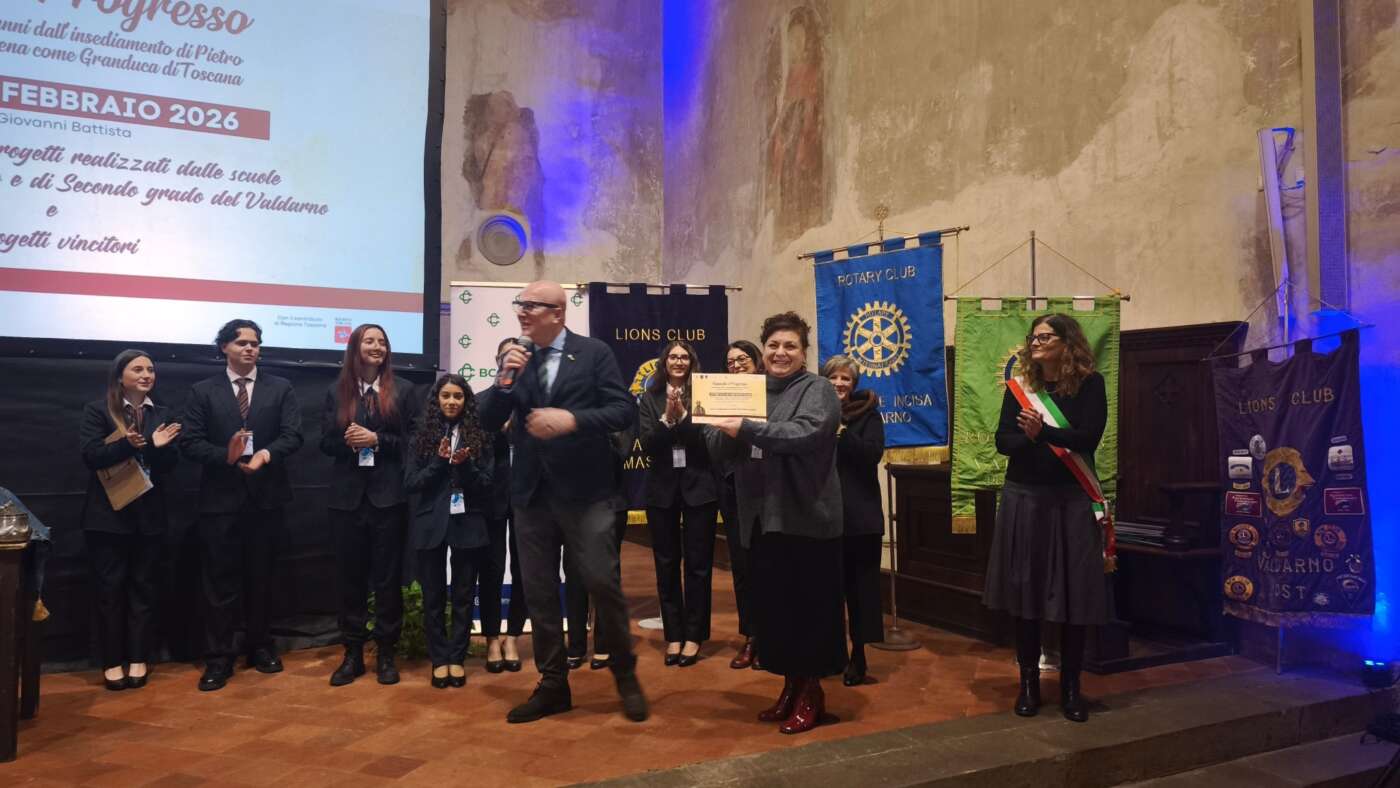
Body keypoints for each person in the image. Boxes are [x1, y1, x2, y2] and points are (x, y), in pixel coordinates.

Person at [478, 280, 647, 724]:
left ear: (557, 312)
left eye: (531, 305)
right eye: (519, 304)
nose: (521, 311)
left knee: (601, 582)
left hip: (587, 493)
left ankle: (624, 672)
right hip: (532, 496)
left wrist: (572, 419)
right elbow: (488, 420)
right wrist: (502, 382)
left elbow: (623, 410)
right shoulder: (517, 357)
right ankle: (553, 684)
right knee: (539, 592)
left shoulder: (593, 353)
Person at [709, 312, 845, 735]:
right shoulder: (750, 388)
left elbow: (805, 433)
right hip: (760, 519)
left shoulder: (818, 389)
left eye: (790, 346)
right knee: (776, 613)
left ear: (804, 353)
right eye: (773, 345)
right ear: (763, 349)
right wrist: (718, 426)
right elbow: (717, 445)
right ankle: (790, 686)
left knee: (809, 611)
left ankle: (812, 693)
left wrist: (746, 428)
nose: (780, 353)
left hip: (805, 518)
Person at [983, 313, 1108, 723]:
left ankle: (1071, 687)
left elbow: (1088, 437)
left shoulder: (1090, 385)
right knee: (1027, 593)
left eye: (1045, 337)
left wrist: (1044, 434)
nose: (1035, 343)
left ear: (1067, 343)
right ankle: (1028, 684)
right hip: (1026, 497)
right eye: (1033, 337)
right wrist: (1031, 437)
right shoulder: (1021, 389)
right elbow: (1003, 441)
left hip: (1071, 499)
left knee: (1074, 596)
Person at [181, 319, 303, 692]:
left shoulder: (280, 388)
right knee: (219, 583)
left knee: (262, 578)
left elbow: (293, 435)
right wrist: (226, 456)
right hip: (220, 502)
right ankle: (219, 657)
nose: (250, 348)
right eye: (242, 343)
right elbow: (189, 442)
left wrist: (265, 454)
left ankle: (260, 647)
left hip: (266, 499)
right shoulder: (203, 391)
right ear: (224, 348)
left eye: (255, 343)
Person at [79, 350, 181, 690]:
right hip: (108, 517)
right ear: (120, 375)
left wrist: (156, 448)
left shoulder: (162, 413)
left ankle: (139, 657)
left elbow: (170, 465)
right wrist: (131, 445)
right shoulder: (99, 410)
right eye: (137, 369)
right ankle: (111, 661)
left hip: (149, 516)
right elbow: (91, 456)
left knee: (144, 588)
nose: (146, 374)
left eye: (150, 369)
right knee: (109, 590)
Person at [320, 324, 414, 687]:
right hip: (346, 500)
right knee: (350, 579)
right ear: (355, 348)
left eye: (382, 342)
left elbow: (414, 441)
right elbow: (324, 443)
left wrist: (377, 439)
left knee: (388, 579)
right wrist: (349, 441)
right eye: (369, 341)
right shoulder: (336, 391)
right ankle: (353, 654)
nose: (377, 347)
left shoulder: (403, 390)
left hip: (389, 498)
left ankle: (387, 653)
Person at [638, 340, 719, 667]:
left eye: (685, 357)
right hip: (662, 489)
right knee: (666, 563)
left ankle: (694, 636)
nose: (679, 361)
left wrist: (683, 416)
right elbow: (648, 444)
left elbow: (706, 442)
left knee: (699, 566)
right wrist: (666, 420)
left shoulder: (704, 393)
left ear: (692, 362)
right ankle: (673, 634)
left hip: (700, 487)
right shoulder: (650, 397)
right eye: (673, 356)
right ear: (665, 362)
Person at [822, 355, 886, 687]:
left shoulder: (868, 414)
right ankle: (831, 654)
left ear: (854, 384)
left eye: (845, 378)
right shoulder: (815, 413)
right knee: (829, 591)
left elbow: (872, 454)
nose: (839, 384)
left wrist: (841, 432)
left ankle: (858, 655)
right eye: (833, 377)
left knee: (860, 590)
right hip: (823, 516)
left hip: (860, 516)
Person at [721, 340, 762, 669]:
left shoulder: (771, 392)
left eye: (742, 359)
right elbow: (711, 442)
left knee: (773, 567)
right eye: (731, 361)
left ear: (757, 362)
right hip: (734, 490)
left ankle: (773, 637)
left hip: (771, 490)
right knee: (743, 567)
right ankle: (751, 636)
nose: (736, 365)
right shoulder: (719, 396)